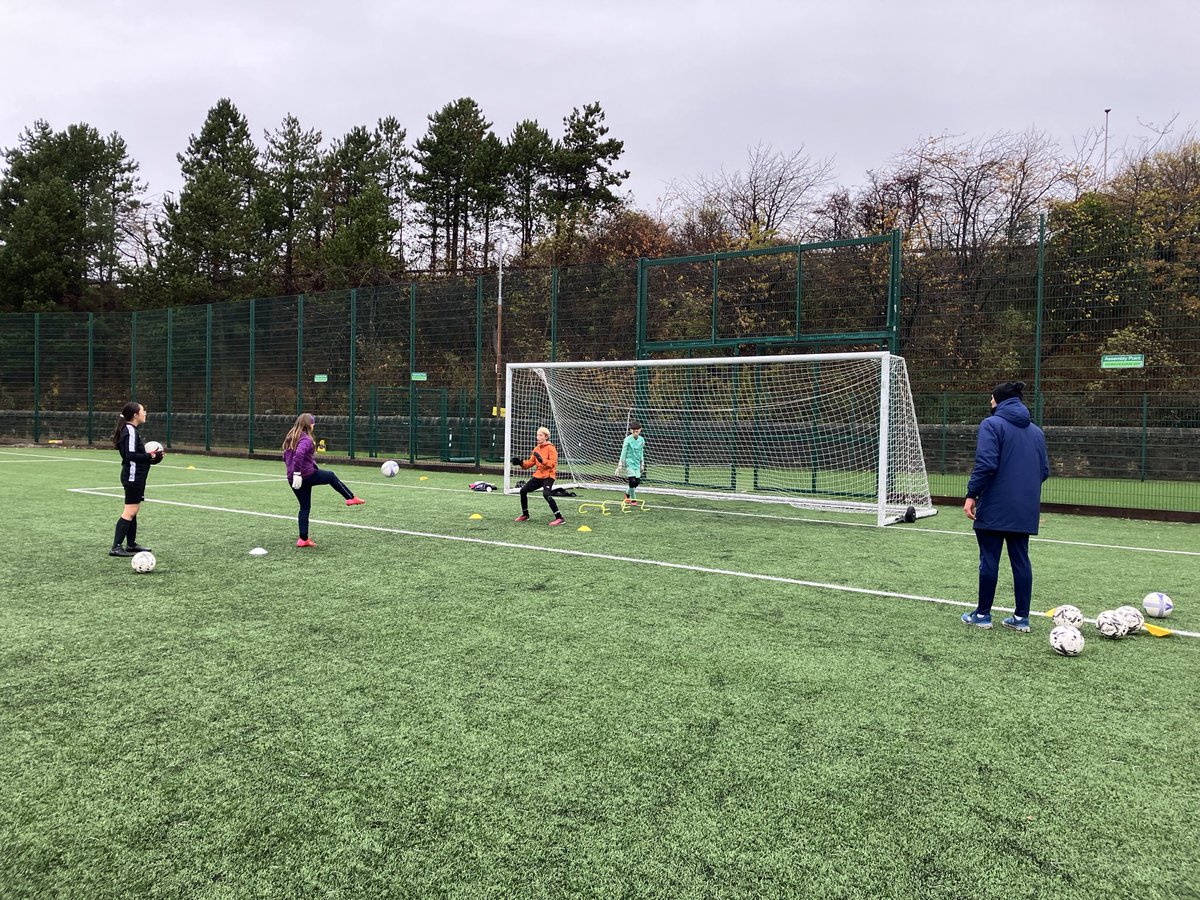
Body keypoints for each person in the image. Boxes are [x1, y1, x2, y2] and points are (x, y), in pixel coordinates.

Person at [961, 381, 1050, 632]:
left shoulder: (991, 425)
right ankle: (1022, 618)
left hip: (996, 505)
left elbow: (986, 464)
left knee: (989, 558)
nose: (990, 403)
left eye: (991, 399)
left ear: (999, 401)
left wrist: (972, 495)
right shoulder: (1037, 432)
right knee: (1021, 559)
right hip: (1025, 507)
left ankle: (983, 615)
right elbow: (1043, 471)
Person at [283, 413, 364, 548]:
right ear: (309, 424)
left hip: (293, 478)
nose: (314, 425)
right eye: (313, 423)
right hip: (305, 476)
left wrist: (293, 474)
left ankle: (303, 539)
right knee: (331, 476)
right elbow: (298, 455)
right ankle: (350, 497)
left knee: (304, 507)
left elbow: (286, 457)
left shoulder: (291, 437)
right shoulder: (306, 439)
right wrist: (298, 473)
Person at [110, 401, 163, 557]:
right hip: (132, 476)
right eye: (143, 410)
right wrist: (151, 455)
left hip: (136, 475)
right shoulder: (130, 430)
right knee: (130, 510)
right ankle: (116, 547)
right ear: (135, 415)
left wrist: (153, 458)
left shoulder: (131, 429)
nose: (145, 413)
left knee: (134, 510)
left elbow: (136, 455)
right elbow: (130, 456)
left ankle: (131, 544)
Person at [511, 426, 565, 526]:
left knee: (546, 494)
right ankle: (525, 515)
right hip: (538, 476)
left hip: (549, 476)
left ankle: (559, 518)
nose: (538, 437)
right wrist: (520, 462)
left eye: (540, 435)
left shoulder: (551, 448)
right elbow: (528, 464)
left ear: (546, 437)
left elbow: (553, 464)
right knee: (523, 491)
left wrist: (542, 460)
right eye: (537, 435)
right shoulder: (536, 449)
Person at [616, 421, 646, 502]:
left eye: (637, 431)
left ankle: (627, 494)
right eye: (633, 431)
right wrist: (620, 465)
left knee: (637, 482)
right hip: (628, 463)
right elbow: (623, 452)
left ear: (640, 430)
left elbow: (641, 452)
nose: (635, 433)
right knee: (632, 480)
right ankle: (633, 499)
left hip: (637, 463)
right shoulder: (627, 440)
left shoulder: (642, 440)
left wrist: (642, 463)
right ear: (630, 431)